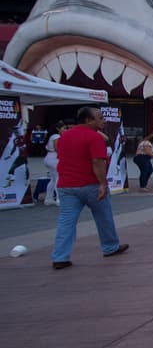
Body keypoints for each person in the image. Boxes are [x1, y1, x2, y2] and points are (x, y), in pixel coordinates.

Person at [49, 107, 130, 269]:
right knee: (103, 216)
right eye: (100, 118)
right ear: (88, 120)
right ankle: (110, 247)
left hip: (67, 185)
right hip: (90, 184)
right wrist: (102, 183)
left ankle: (60, 256)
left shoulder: (64, 137)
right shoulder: (94, 138)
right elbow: (97, 162)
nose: (103, 121)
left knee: (66, 221)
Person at [44, 122, 64, 205]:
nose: (64, 130)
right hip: (54, 158)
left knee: (53, 179)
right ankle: (59, 199)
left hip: (48, 157)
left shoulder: (51, 136)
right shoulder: (57, 136)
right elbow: (57, 148)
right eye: (63, 128)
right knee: (58, 179)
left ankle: (48, 199)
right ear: (58, 128)